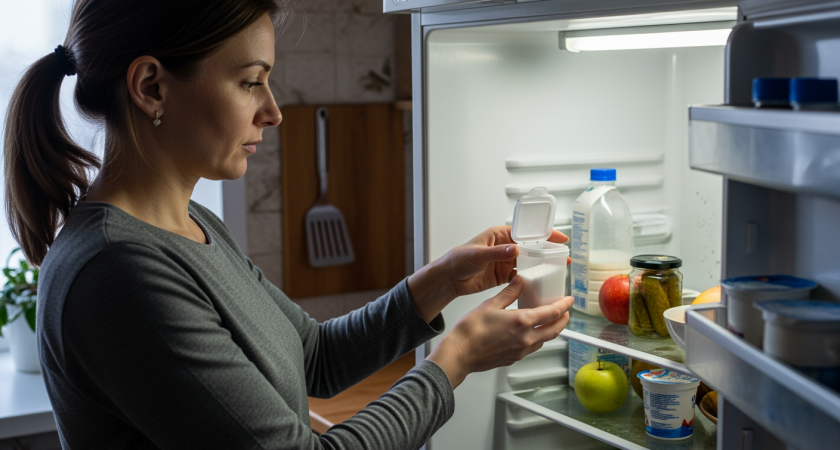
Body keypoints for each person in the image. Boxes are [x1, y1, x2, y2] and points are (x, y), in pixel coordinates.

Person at [3, 1, 574, 448]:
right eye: (250, 81)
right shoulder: (117, 271)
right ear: (152, 86)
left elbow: (314, 357)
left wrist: (444, 279)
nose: (273, 111)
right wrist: (457, 359)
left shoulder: (189, 224)